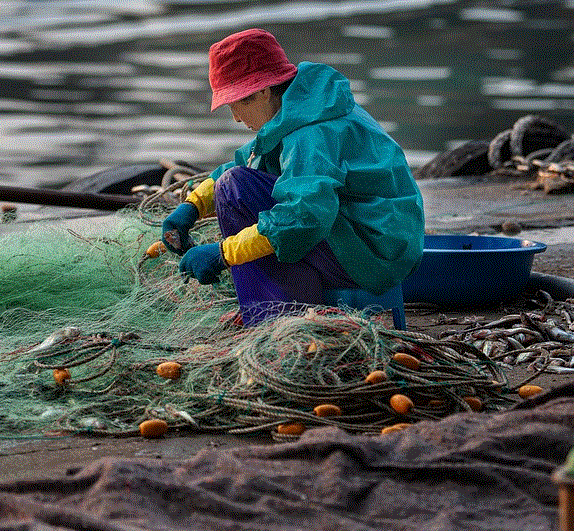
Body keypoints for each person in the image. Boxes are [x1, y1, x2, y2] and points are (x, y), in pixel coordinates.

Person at [163, 28, 423, 326]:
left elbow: (303, 219)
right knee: (237, 181)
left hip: (373, 255)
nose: (235, 117)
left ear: (262, 91)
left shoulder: (311, 133)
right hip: (377, 238)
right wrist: (191, 207)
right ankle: (272, 304)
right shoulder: (306, 106)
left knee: (235, 189)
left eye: (237, 103)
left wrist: (224, 254)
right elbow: (248, 161)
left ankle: (275, 319)